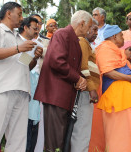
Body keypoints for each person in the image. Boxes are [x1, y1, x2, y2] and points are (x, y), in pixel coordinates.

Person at [0, 2, 43, 151]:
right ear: (9, 13)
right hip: (1, 90)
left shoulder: (18, 38)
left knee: (18, 141)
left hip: (21, 91)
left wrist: (34, 58)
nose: (22, 18)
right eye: (19, 14)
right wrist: (17, 48)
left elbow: (25, 66)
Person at [34, 10, 91, 151]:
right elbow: (56, 61)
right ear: (82, 23)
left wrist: (80, 80)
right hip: (56, 95)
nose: (89, 30)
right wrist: (77, 78)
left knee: (63, 139)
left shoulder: (74, 39)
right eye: (89, 26)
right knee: (55, 141)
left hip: (65, 96)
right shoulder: (62, 34)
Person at [95, 25, 131, 152]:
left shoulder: (117, 51)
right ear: (114, 36)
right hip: (117, 102)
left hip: (128, 101)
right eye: (122, 35)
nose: (123, 37)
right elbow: (108, 72)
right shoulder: (104, 48)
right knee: (119, 136)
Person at [70, 19, 100, 152]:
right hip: (85, 91)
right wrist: (92, 89)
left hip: (86, 90)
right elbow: (83, 67)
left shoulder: (87, 44)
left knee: (83, 129)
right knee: (82, 129)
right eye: (93, 29)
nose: (96, 33)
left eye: (97, 30)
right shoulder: (82, 42)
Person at [17, 17, 41, 152]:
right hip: (19, 87)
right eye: (34, 28)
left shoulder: (35, 44)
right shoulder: (17, 41)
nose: (37, 32)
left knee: (32, 127)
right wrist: (33, 57)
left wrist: (36, 57)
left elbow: (28, 66)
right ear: (25, 27)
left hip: (32, 85)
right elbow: (20, 63)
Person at [29, 14, 50, 152]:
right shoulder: (21, 40)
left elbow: (52, 55)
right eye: (34, 24)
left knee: (38, 118)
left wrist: (41, 52)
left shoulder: (46, 41)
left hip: (41, 81)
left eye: (39, 24)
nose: (37, 27)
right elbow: (23, 63)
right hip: (24, 79)